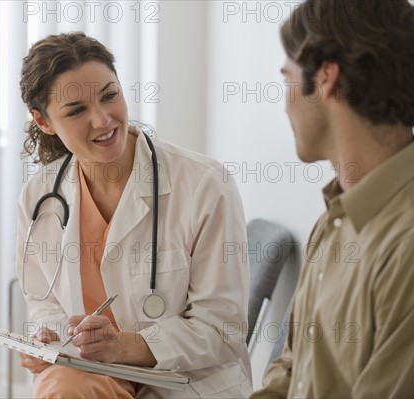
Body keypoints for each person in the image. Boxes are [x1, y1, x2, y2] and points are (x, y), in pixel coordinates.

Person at [16, 32, 252, 398]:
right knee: (65, 386)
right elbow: (44, 302)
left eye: (110, 96)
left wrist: (125, 346)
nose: (102, 120)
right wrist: (49, 340)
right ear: (43, 121)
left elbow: (224, 331)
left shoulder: (204, 184)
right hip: (89, 376)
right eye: (76, 110)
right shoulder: (39, 196)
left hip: (186, 379)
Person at [252, 0, 414, 397]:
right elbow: (290, 371)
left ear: (326, 77)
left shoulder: (410, 244)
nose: (286, 102)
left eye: (287, 79)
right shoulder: (335, 219)